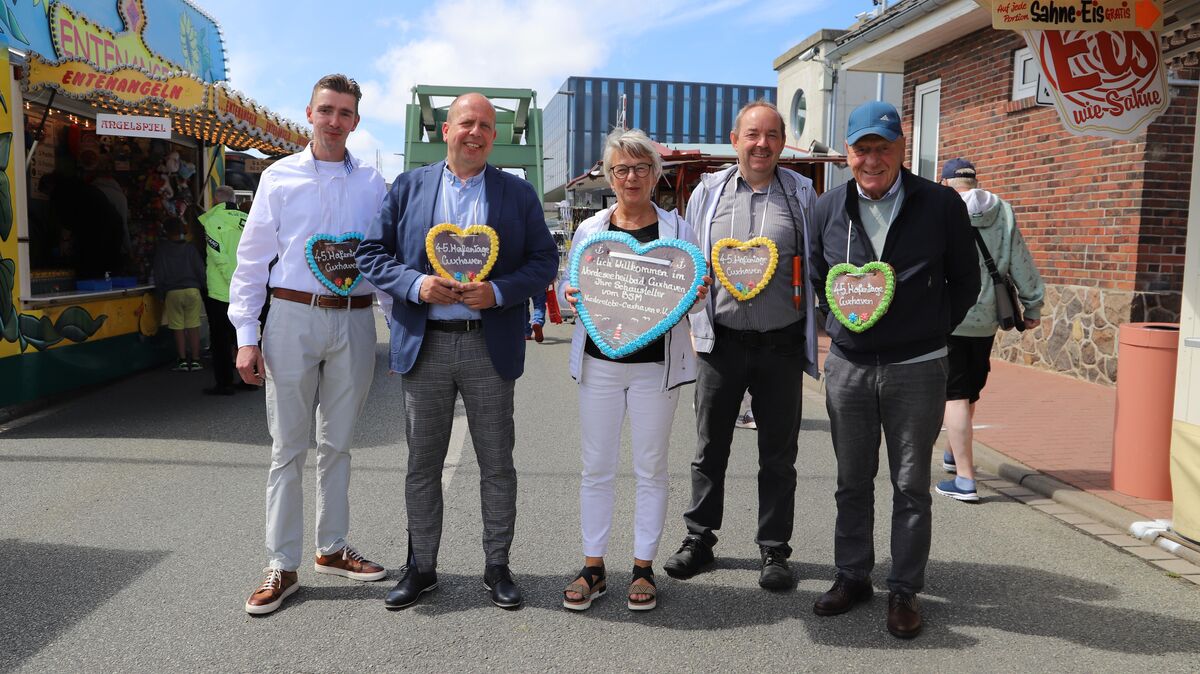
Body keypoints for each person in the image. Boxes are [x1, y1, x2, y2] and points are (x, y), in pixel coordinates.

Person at [356, 93, 558, 611]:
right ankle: (421, 567)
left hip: (489, 345)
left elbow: (543, 261)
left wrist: (499, 291)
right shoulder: (407, 186)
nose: (476, 133)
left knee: (497, 463)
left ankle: (497, 567)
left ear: (496, 137)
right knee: (422, 464)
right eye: (467, 123)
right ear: (446, 130)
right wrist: (416, 284)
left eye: (487, 126)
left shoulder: (517, 193)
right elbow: (371, 253)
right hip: (426, 346)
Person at [807, 101, 980, 639]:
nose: (872, 159)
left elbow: (966, 281)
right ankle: (853, 575)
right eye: (862, 149)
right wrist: (842, 329)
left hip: (918, 366)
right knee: (851, 481)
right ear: (848, 154)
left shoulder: (940, 204)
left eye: (883, 147)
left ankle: (904, 590)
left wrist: (924, 328)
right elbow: (818, 279)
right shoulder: (826, 208)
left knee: (910, 485)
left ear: (901, 148)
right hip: (850, 366)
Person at [229, 74, 389, 616]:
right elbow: (251, 260)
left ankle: (332, 547)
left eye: (345, 113)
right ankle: (281, 562)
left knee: (339, 443)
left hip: (356, 319)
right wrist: (246, 335)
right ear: (309, 113)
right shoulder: (278, 177)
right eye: (327, 110)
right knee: (287, 447)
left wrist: (402, 329)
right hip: (292, 316)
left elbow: (384, 259)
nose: (335, 121)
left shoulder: (373, 183)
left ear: (356, 121)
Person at [663, 100, 819, 591]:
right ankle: (700, 540)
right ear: (735, 140)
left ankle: (774, 549)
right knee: (710, 447)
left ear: (782, 142)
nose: (762, 144)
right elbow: (689, 260)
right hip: (720, 342)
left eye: (772, 135)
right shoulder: (708, 192)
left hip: (781, 343)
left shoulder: (803, 193)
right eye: (752, 135)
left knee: (778, 454)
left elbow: (820, 260)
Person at [559, 128, 709, 612]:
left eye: (641, 168)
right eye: (620, 168)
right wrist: (570, 295)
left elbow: (691, 287)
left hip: (654, 370)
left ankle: (643, 567)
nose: (630, 177)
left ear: (655, 174)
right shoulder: (591, 230)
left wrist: (695, 296)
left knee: (651, 468)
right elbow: (570, 287)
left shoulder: (678, 231)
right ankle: (594, 566)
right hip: (600, 364)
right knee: (596, 467)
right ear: (609, 175)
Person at [937, 158, 1044, 502]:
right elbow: (1020, 261)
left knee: (953, 393)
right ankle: (956, 451)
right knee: (970, 389)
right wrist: (1032, 305)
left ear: (945, 183)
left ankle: (965, 480)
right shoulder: (1003, 212)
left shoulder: (940, 210)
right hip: (987, 317)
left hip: (950, 314)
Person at [198, 185, 249, 395]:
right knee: (244, 334)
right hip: (247, 289)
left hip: (221, 291)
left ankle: (225, 383)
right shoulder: (247, 219)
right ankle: (251, 380)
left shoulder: (211, 221)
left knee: (220, 339)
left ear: (215, 200)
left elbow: (218, 257)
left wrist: (232, 282)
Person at [152, 216, 205, 371]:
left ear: (166, 231)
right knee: (193, 326)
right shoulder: (190, 248)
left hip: (172, 292)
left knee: (178, 328)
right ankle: (195, 360)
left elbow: (159, 274)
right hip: (192, 291)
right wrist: (204, 287)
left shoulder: (162, 250)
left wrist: (160, 293)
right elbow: (200, 270)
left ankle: (182, 359)